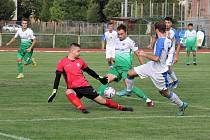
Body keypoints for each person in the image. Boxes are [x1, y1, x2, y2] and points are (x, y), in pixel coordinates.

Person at [47, 43, 133, 113]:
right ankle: (82, 108)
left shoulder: (80, 61)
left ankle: (121, 108)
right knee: (68, 91)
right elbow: (57, 77)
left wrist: (100, 78)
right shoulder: (62, 62)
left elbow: (89, 71)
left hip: (85, 87)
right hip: (73, 88)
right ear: (72, 51)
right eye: (78, 51)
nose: (79, 53)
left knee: (102, 101)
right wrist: (54, 91)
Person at [127, 21, 188, 116]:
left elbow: (156, 58)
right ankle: (129, 91)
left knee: (164, 92)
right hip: (151, 66)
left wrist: (144, 54)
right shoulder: (168, 40)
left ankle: (181, 105)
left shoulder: (161, 41)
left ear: (156, 29)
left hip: (159, 72)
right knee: (130, 73)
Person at [98, 24, 154, 107]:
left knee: (129, 87)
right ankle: (96, 96)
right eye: (118, 34)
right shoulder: (116, 40)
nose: (120, 36)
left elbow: (138, 54)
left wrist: (144, 67)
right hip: (116, 68)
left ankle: (148, 100)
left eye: (122, 34)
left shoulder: (130, 42)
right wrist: (113, 60)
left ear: (126, 33)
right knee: (106, 80)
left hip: (126, 69)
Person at [148, 17, 180, 89]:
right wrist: (151, 45)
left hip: (170, 53)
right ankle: (172, 81)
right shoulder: (161, 30)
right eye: (166, 22)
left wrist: (176, 56)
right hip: (163, 53)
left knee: (167, 67)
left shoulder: (174, 31)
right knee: (164, 67)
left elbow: (178, 44)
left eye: (169, 23)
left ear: (171, 24)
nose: (167, 24)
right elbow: (156, 37)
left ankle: (174, 81)